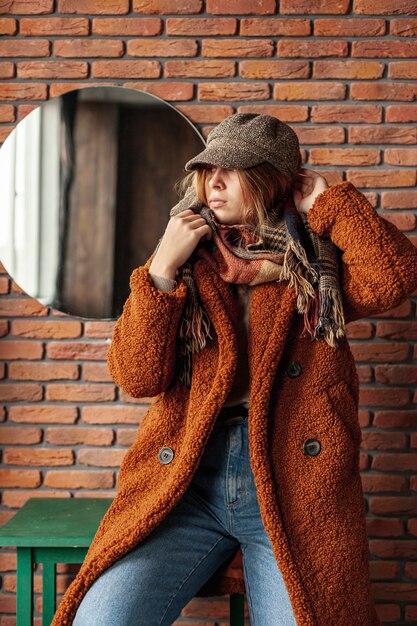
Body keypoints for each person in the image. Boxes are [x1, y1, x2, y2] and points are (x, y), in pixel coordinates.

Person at [53, 113, 417, 626]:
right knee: (100, 620)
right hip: (187, 480)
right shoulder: (192, 260)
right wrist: (161, 268)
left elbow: (394, 277)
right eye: (207, 170)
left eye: (233, 170)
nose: (213, 183)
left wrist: (331, 204)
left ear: (272, 179)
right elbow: (137, 377)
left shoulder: (315, 264)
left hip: (292, 480)